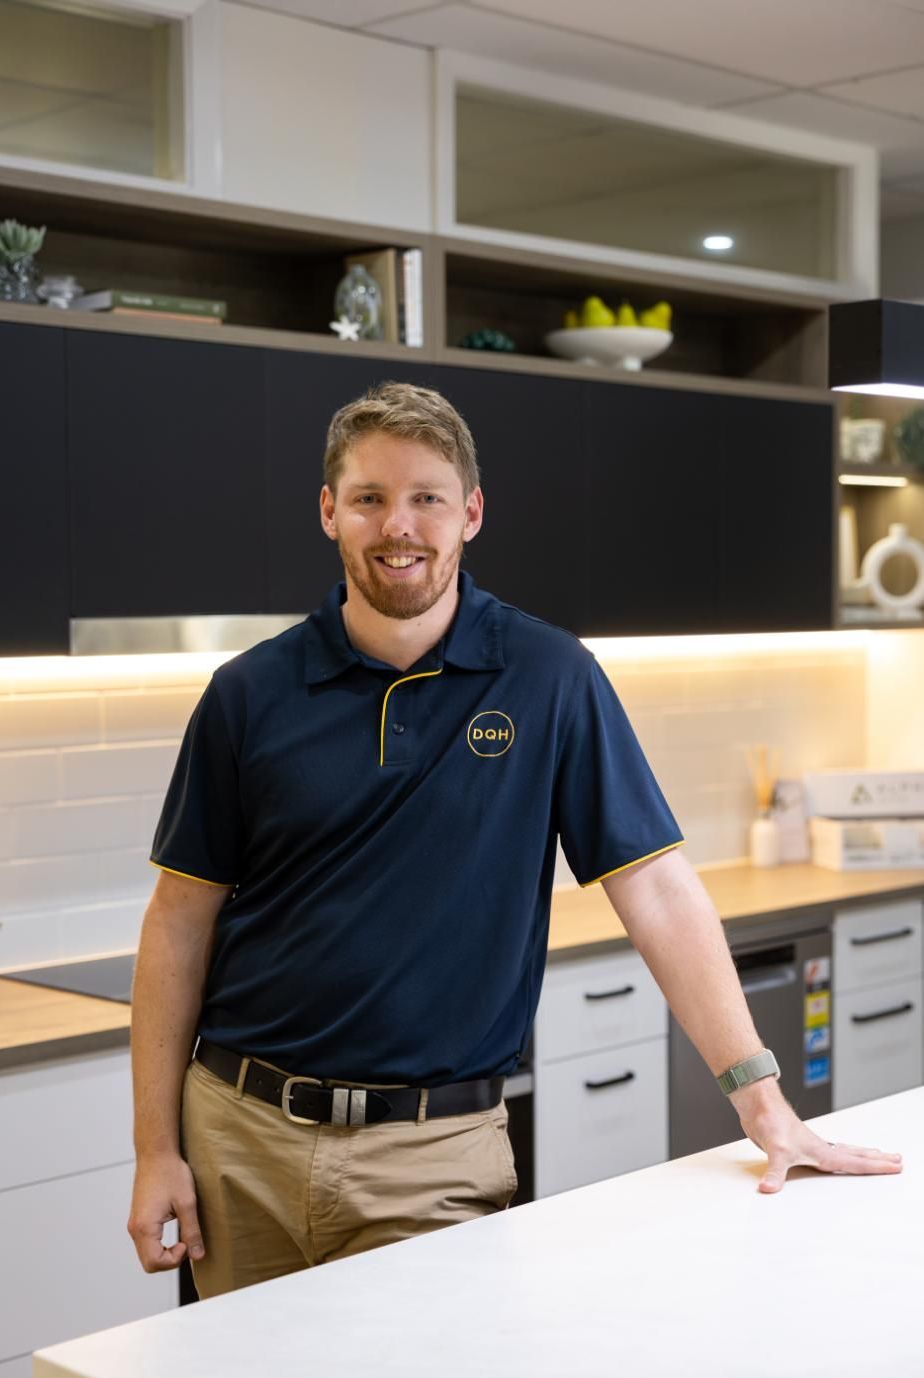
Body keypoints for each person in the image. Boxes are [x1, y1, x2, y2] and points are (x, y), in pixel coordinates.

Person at [127, 381, 902, 1298]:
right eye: (370, 497)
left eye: (427, 498)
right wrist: (155, 1148)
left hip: (433, 1154)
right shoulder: (247, 693)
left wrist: (762, 1101)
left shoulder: (548, 677)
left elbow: (654, 890)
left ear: (471, 513)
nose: (398, 526)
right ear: (329, 511)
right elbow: (178, 922)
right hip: (237, 1141)